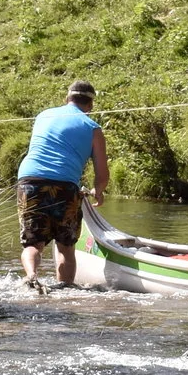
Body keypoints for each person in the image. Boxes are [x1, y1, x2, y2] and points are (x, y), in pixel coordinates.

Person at [15, 79, 110, 290]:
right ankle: (65, 289)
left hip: (30, 181)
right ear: (90, 105)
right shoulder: (93, 129)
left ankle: (31, 275)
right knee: (66, 247)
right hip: (65, 186)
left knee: (33, 244)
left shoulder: (43, 115)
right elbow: (102, 173)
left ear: (66, 98)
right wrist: (98, 191)